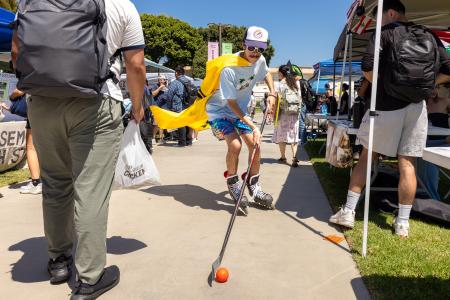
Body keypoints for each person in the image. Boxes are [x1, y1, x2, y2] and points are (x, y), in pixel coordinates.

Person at [13, 0, 146, 298]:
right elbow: (135, 64)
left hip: (42, 103)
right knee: (91, 190)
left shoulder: (30, 2)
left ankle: (58, 261)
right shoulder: (122, 6)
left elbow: (17, 52)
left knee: (56, 184)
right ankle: (89, 277)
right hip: (95, 103)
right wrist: (137, 107)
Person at [329, 0, 450, 237]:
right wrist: (427, 86)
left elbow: (367, 68)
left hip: (385, 107)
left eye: (380, 16)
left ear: (391, 12)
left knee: (367, 157)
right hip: (417, 108)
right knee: (408, 163)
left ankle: (349, 211)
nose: (378, 21)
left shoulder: (384, 33)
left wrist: (386, 87)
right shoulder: (429, 35)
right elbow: (447, 70)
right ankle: (402, 223)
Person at [206, 26, 276, 215]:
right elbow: (230, 103)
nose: (256, 52)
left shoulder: (260, 60)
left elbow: (266, 72)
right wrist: (254, 126)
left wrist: (272, 93)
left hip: (240, 111)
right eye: (252, 47)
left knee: (255, 144)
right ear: (243, 44)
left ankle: (254, 184)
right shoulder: (229, 68)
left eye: (260, 48)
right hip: (220, 111)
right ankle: (233, 182)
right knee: (235, 146)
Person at [417, 85, 450, 200]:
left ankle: (430, 195)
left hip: (443, 142)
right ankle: (422, 189)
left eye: (437, 87)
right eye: (431, 87)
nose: (434, 90)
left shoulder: (445, 101)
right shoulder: (419, 104)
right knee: (419, 150)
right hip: (427, 141)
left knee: (425, 154)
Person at [272, 65, 301, 168]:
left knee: (281, 136)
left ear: (281, 73)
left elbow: (276, 101)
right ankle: (294, 157)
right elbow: (299, 99)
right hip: (294, 114)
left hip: (283, 114)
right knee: (294, 136)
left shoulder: (279, 85)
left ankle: (283, 157)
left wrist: (274, 113)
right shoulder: (296, 83)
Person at [166, 66, 192, 147]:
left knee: (181, 123)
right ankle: (189, 141)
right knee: (187, 123)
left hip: (178, 105)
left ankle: (182, 142)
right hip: (188, 105)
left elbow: (169, 95)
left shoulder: (175, 82)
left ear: (176, 73)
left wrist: (169, 106)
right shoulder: (189, 81)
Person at [151, 75, 169, 143]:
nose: (160, 81)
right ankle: (153, 138)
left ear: (165, 80)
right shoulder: (155, 86)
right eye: (159, 79)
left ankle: (161, 139)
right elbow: (152, 94)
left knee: (162, 124)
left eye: (162, 79)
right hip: (156, 108)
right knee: (156, 124)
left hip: (164, 108)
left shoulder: (167, 87)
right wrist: (159, 88)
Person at [140, 80, 154, 154]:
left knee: (144, 130)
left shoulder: (142, 88)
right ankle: (149, 147)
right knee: (147, 129)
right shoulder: (147, 88)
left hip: (144, 111)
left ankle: (147, 148)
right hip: (147, 110)